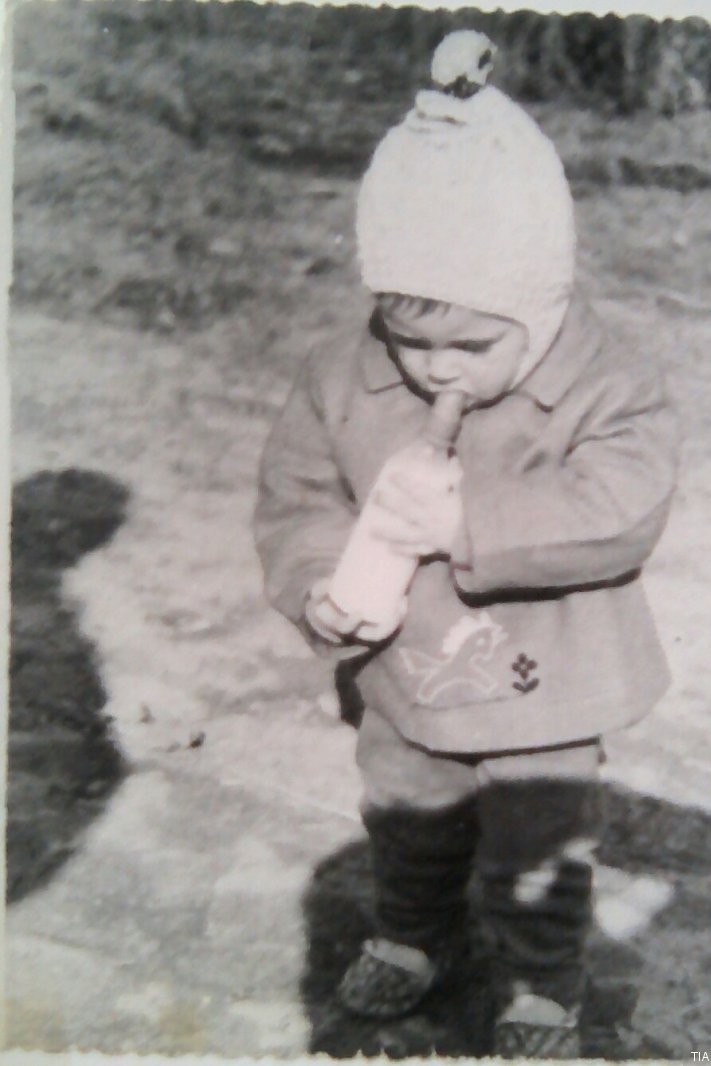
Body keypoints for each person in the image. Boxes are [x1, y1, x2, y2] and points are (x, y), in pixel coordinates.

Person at [254, 29, 678, 1059]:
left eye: (474, 344)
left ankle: (541, 982)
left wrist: (468, 525)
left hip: (548, 677)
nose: (440, 368)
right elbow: (299, 495)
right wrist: (318, 586)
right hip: (408, 669)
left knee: (541, 839)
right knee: (405, 810)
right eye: (411, 340)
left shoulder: (607, 384)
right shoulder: (343, 377)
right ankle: (414, 932)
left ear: (541, 309)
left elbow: (622, 505)